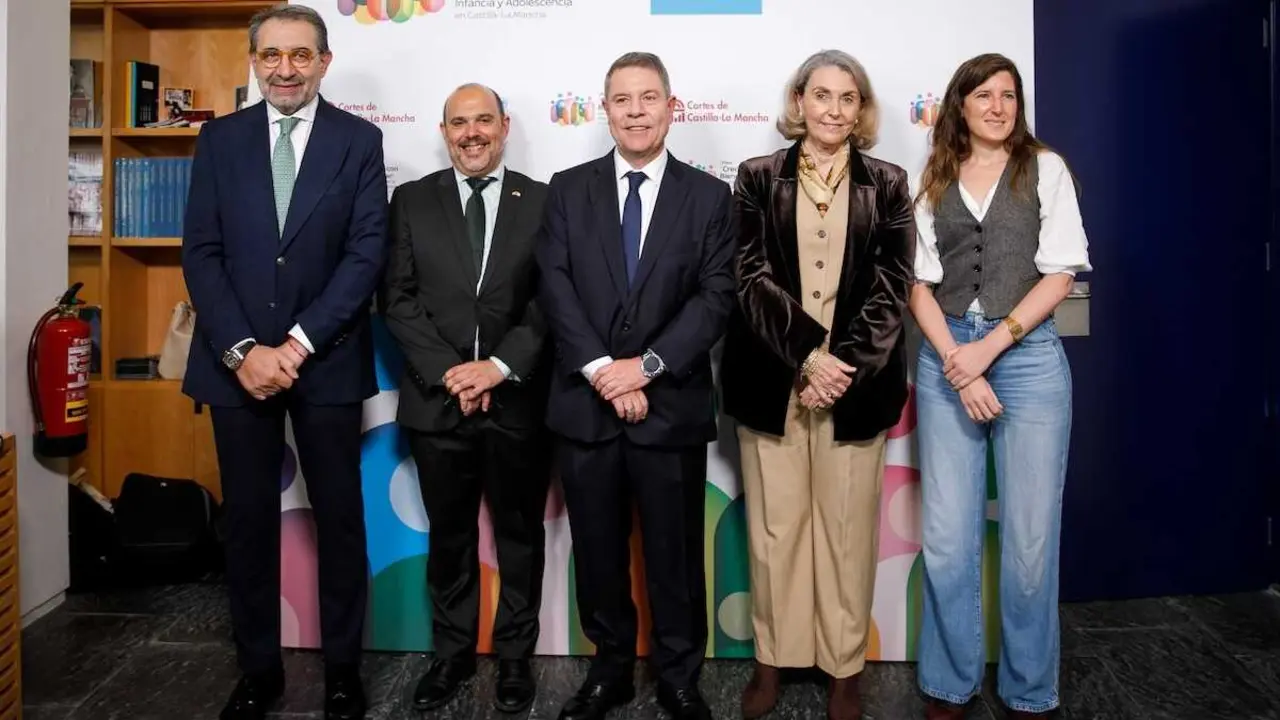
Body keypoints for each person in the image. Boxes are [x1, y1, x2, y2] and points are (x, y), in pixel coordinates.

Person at [180, 5, 387, 719]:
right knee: (246, 524)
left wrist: (297, 344)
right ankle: (258, 670)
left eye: (300, 54)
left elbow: (365, 254)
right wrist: (242, 350)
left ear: (324, 62)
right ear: (254, 61)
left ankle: (342, 671)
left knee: (340, 519)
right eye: (271, 55)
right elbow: (201, 252)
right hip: (234, 364)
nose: (285, 68)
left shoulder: (359, 141)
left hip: (325, 361)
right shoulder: (219, 139)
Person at [534, 51, 736, 720]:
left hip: (669, 407)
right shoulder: (568, 189)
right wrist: (604, 371)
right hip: (586, 407)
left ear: (671, 107)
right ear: (605, 110)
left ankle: (679, 676)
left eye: (649, 98)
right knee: (597, 551)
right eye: (622, 99)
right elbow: (555, 287)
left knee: (674, 554)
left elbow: (715, 298)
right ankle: (610, 671)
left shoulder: (709, 197)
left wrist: (645, 367)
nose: (636, 111)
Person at [720, 49, 916, 720]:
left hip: (856, 386)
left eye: (847, 98)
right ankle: (773, 662)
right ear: (799, 101)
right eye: (822, 94)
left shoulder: (888, 183)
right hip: (773, 381)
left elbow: (893, 284)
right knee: (777, 531)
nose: (833, 109)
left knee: (847, 532)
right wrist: (809, 356)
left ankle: (843, 669)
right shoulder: (756, 177)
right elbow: (749, 275)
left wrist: (841, 367)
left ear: (861, 111)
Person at [909, 53, 1090, 720]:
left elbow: (1061, 275)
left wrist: (988, 349)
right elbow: (917, 286)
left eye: (1008, 95)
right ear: (960, 104)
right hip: (947, 351)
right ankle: (948, 683)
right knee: (948, 539)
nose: (997, 106)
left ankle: (1029, 688)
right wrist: (958, 361)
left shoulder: (1045, 168)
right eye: (983, 95)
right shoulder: (934, 176)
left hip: (1028, 357)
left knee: (1031, 543)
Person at [379, 83, 551, 715]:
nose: (471, 133)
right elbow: (396, 298)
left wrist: (497, 369)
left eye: (483, 120)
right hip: (439, 401)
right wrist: (454, 373)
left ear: (504, 126)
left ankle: (514, 658)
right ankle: (451, 655)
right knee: (449, 537)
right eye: (459, 122)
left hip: (517, 402)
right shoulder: (411, 200)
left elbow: (551, 300)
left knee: (519, 536)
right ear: (443, 131)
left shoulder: (543, 200)